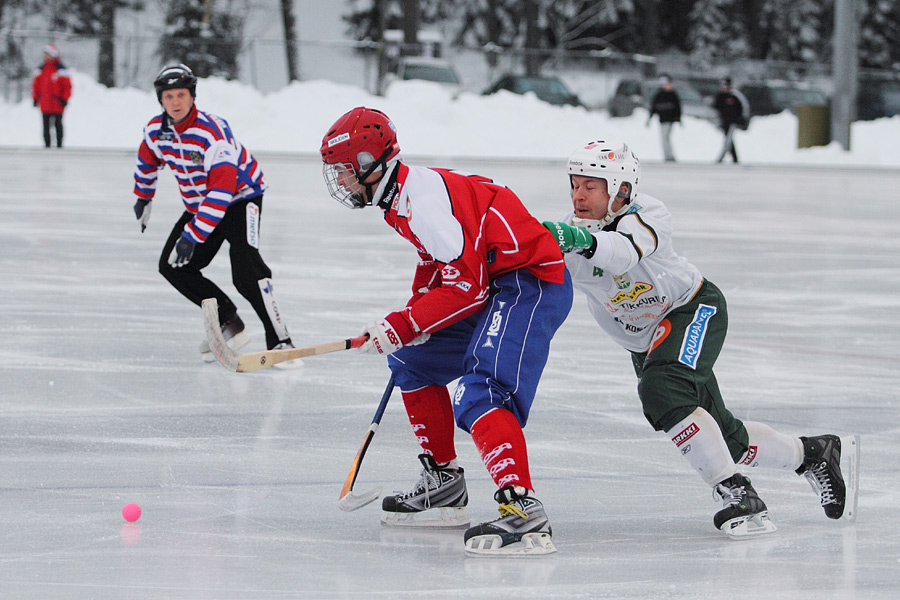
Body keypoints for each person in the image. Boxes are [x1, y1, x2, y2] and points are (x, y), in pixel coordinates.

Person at [541, 140, 858, 538]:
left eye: (591, 185)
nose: (578, 195)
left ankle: (736, 491)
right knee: (727, 438)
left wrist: (577, 241)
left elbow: (621, 253)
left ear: (621, 188)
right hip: (648, 342)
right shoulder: (568, 234)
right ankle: (812, 454)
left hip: (692, 310)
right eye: (574, 184)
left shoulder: (647, 213)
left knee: (662, 389)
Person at [319, 106, 573, 556]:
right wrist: (414, 319)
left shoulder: (420, 200)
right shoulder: (397, 198)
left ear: (368, 163)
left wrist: (405, 322)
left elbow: (467, 285)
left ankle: (523, 509)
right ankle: (443, 484)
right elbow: (435, 261)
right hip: (494, 283)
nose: (339, 182)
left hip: (527, 283)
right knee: (410, 361)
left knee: (482, 391)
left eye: (343, 171)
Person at [132, 64, 292, 360]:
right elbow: (147, 159)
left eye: (182, 95)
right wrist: (143, 197)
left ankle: (281, 341)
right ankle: (228, 320)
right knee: (174, 266)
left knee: (246, 268)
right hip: (201, 203)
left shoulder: (212, 132)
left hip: (241, 198)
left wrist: (192, 236)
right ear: (160, 100)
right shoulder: (157, 131)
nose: (176, 102)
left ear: (193, 96)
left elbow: (221, 192)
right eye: (168, 96)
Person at [31, 43, 72, 148]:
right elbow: (36, 86)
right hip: (45, 103)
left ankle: (59, 144)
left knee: (58, 124)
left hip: (57, 103)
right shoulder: (41, 69)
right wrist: (35, 98)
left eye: (47, 54)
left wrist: (65, 99)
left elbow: (67, 86)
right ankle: (47, 144)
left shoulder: (60, 69)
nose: (45, 57)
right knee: (46, 126)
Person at [712, 77, 748, 163]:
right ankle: (734, 158)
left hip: (733, 122)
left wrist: (741, 119)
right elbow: (715, 108)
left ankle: (721, 157)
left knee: (728, 139)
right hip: (724, 121)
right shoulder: (720, 96)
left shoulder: (735, 96)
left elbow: (743, 108)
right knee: (729, 140)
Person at [647, 74, 681, 162]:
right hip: (663, 119)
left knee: (666, 138)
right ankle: (668, 155)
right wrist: (650, 117)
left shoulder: (673, 95)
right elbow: (654, 106)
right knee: (664, 138)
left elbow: (678, 108)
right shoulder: (659, 94)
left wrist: (678, 118)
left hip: (670, 119)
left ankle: (669, 155)